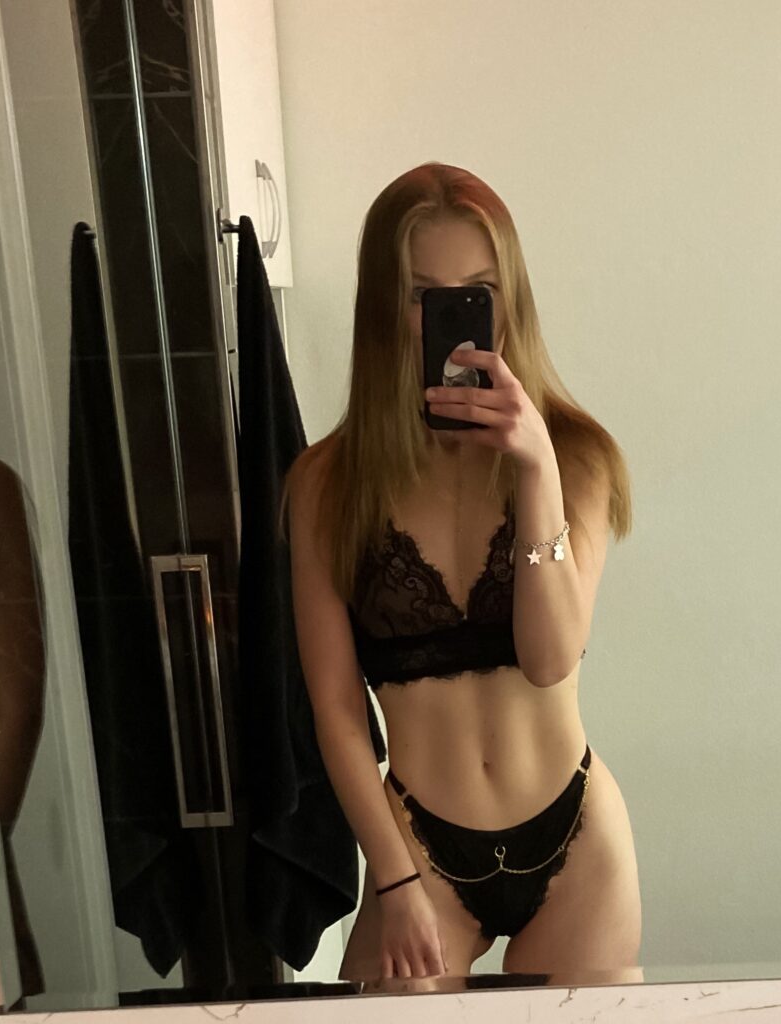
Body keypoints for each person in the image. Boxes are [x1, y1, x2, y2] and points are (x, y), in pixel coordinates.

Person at [282, 162, 642, 983]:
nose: (450, 318)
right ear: (385, 307)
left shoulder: (575, 458)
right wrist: (394, 881)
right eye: (422, 295)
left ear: (510, 298)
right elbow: (335, 709)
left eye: (478, 291)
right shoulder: (328, 484)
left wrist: (535, 470)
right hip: (416, 849)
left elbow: (550, 660)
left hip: (577, 843)